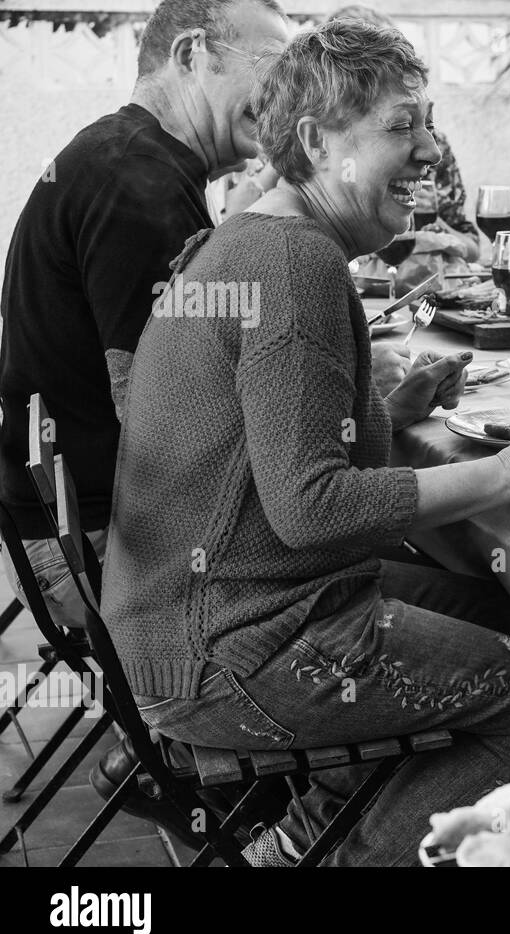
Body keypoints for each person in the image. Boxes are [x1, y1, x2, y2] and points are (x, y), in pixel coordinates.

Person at [102, 18, 510, 866]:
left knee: (496, 607)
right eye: (401, 126)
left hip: (189, 633)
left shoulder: (261, 237)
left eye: (429, 122)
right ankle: (333, 856)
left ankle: (302, 832)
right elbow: (312, 508)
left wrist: (396, 402)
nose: (430, 149)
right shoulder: (293, 262)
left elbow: (287, 455)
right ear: (313, 141)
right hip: (232, 653)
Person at [0, 0, 290, 628]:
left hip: (66, 536)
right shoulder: (137, 182)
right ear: (191, 55)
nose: (284, 91)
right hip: (96, 558)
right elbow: (183, 426)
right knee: (375, 553)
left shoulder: (129, 157)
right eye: (272, 65)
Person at [330, 5, 480, 294]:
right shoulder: (319, 157)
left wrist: (435, 227)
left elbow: (473, 246)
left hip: (419, 295)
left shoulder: (432, 147)